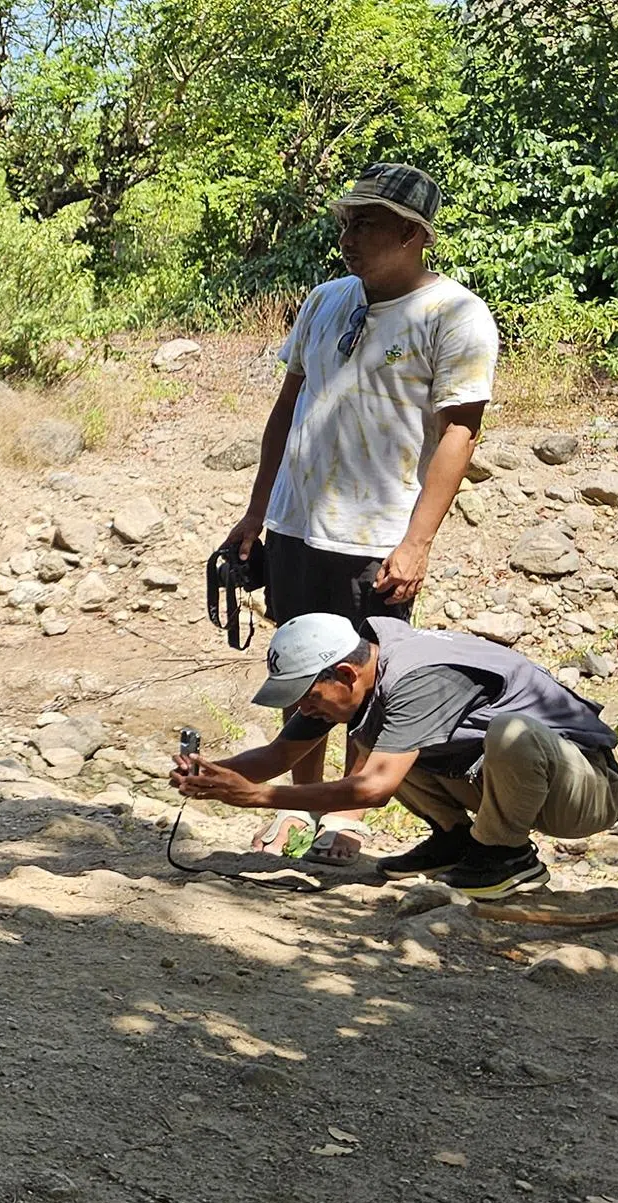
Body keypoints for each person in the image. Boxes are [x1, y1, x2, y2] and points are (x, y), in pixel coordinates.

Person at [219, 161, 498, 867]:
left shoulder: (456, 316)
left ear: (411, 234)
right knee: (302, 669)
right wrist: (257, 510)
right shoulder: (325, 299)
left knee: (361, 675)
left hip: (373, 532)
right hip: (295, 521)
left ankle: (346, 816)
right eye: (346, 221)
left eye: (365, 222)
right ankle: (298, 806)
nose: (348, 235)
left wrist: (418, 542)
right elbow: (287, 406)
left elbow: (459, 433)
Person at [169, 613, 618, 899]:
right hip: (513, 781)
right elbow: (278, 754)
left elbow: (374, 788)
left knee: (510, 733)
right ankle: (456, 841)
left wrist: (255, 798)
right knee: (397, 740)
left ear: (346, 674)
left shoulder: (416, 677)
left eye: (307, 696)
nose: (302, 708)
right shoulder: (361, 676)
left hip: (583, 792)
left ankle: (505, 856)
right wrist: (213, 775)